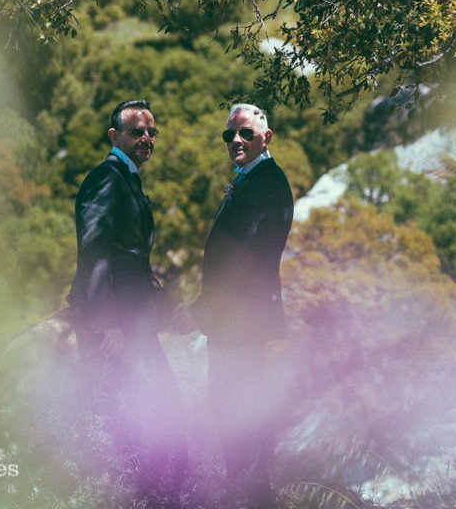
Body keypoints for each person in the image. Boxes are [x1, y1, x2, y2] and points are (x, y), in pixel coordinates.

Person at [67, 99, 187, 496]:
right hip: (115, 326)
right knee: (135, 416)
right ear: (115, 135)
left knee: (155, 411)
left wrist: (168, 307)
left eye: (152, 132)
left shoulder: (127, 178)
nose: (147, 138)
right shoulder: (107, 177)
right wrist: (107, 322)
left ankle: (152, 495)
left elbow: (132, 258)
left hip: (134, 321)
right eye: (137, 131)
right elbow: (95, 249)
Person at [186, 103, 294, 508]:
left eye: (245, 133)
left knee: (239, 424)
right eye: (229, 134)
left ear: (266, 138)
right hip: (233, 324)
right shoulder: (252, 179)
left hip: (241, 325)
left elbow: (244, 262)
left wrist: (200, 311)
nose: (235, 140)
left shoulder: (267, 183)